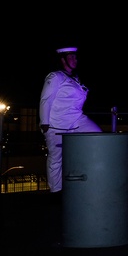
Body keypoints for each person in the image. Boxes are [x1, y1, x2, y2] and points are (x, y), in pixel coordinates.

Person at [39, 47, 102, 194]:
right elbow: (45, 100)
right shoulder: (55, 77)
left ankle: (91, 176)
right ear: (63, 59)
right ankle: (56, 191)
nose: (75, 60)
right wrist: (45, 123)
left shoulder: (74, 78)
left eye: (76, 57)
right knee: (56, 158)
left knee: (98, 137)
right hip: (56, 125)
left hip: (76, 120)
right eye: (71, 57)